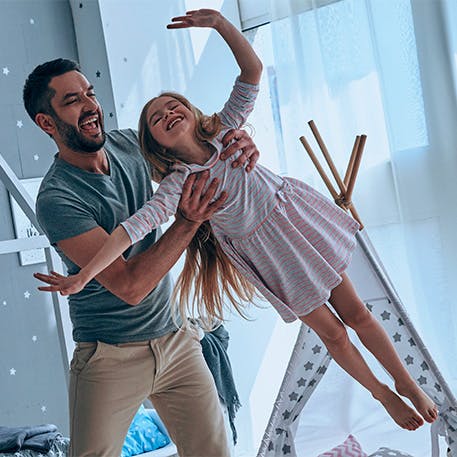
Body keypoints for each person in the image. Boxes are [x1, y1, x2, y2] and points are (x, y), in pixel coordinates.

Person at [36, 9, 439, 433]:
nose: (168, 114)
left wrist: (221, 25)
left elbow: (252, 71)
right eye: (156, 119)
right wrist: (84, 277)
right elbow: (129, 231)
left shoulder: (227, 131)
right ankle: (381, 392)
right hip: (271, 257)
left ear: (192, 111)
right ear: (154, 147)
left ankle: (407, 382)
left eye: (173, 106)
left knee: (358, 313)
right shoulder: (175, 186)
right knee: (334, 335)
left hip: (298, 225)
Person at [25, 52, 260, 456]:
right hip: (110, 356)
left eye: (89, 94)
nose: (90, 106)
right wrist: (186, 222)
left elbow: (197, 158)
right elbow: (129, 286)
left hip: (175, 340)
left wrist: (236, 145)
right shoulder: (58, 198)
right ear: (46, 122)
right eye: (72, 101)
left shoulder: (128, 146)